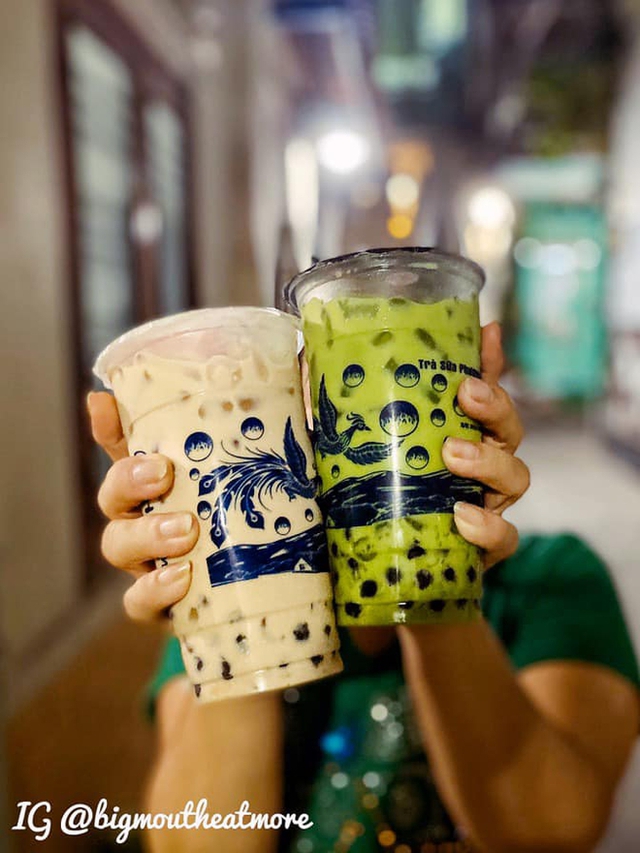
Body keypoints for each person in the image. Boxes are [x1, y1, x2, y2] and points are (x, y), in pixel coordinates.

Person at [88, 323, 639, 853]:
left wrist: (432, 569)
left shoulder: (554, 578)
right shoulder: (232, 588)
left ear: (474, 387)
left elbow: (548, 833)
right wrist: (231, 587)